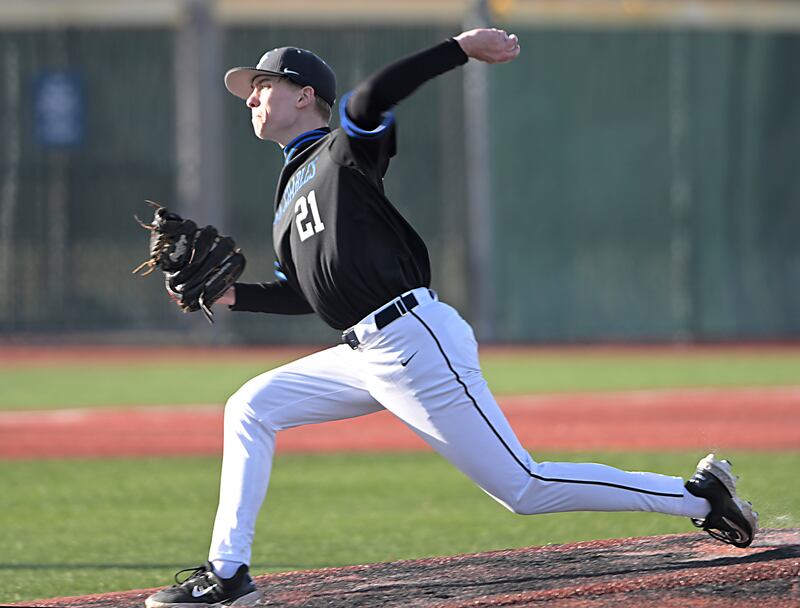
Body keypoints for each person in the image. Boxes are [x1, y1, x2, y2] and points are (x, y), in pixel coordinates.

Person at [144, 28, 757, 608]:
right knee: (251, 406)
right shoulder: (286, 194)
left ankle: (699, 498)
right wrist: (230, 298)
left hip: (412, 339)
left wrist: (459, 48)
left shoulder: (341, 151)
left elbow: (372, 95)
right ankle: (228, 575)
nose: (251, 95)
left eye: (264, 84)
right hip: (361, 353)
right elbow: (305, 293)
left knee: (524, 487)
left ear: (305, 96)